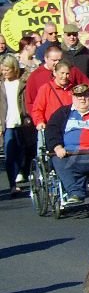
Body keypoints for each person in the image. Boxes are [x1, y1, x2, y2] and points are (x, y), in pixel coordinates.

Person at [44, 83, 89, 208]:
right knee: (57, 160)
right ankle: (75, 193)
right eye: (78, 96)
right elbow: (51, 131)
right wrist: (57, 147)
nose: (82, 99)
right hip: (69, 155)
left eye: (85, 95)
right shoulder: (62, 113)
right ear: (73, 97)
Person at [0, 56, 33, 194]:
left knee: (23, 152)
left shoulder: (23, 83)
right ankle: (12, 184)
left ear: (14, 69)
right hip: (7, 124)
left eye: (7, 69)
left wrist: (28, 116)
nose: (4, 72)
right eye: (2, 69)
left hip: (23, 122)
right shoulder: (1, 85)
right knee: (9, 154)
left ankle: (23, 172)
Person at [31, 60, 76, 127]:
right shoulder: (46, 89)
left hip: (70, 126)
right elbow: (37, 109)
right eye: (62, 73)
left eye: (67, 74)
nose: (64, 76)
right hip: (52, 127)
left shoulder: (74, 89)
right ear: (55, 73)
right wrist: (39, 122)